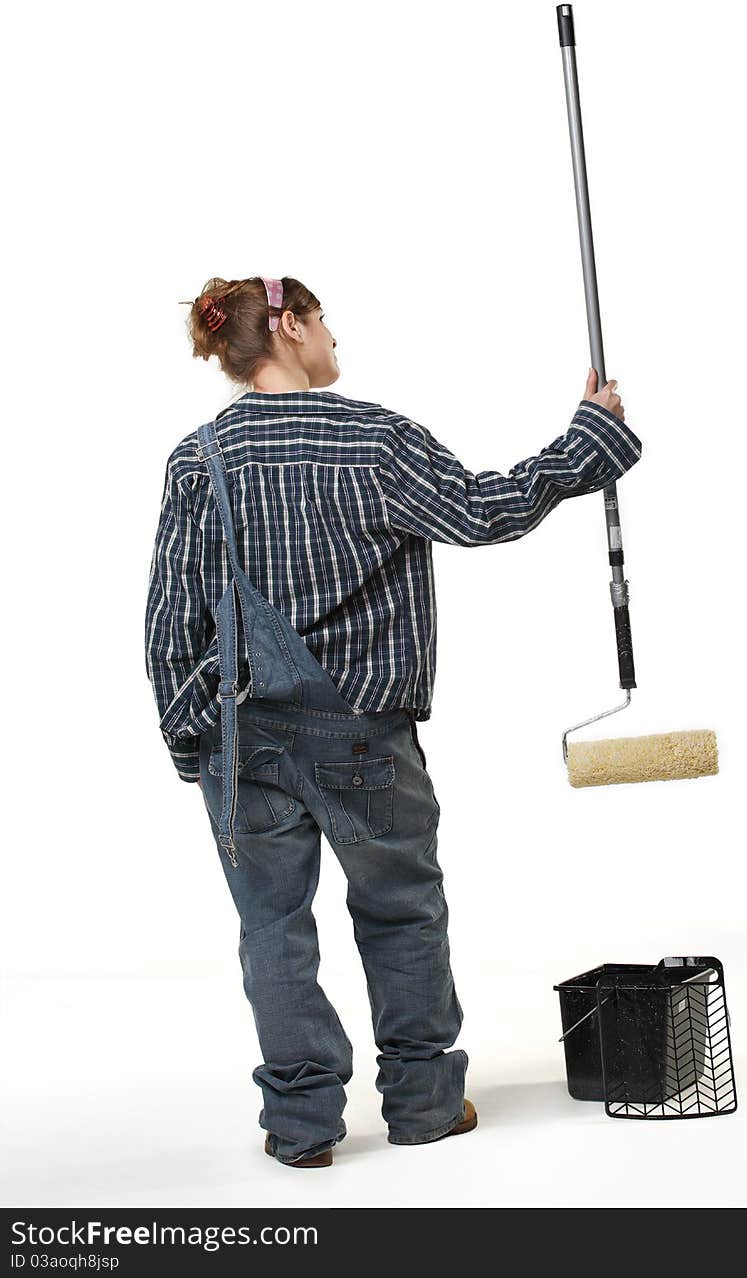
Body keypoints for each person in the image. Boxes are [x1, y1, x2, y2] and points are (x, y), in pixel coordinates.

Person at [144, 274, 642, 1168]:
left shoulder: (199, 459)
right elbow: (484, 510)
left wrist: (194, 749)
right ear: (290, 327)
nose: (335, 337)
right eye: (324, 319)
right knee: (402, 914)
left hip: (243, 744)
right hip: (365, 738)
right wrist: (587, 441)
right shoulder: (374, 441)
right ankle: (422, 1105)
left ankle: (300, 1128)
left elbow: (169, 622)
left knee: (273, 931)